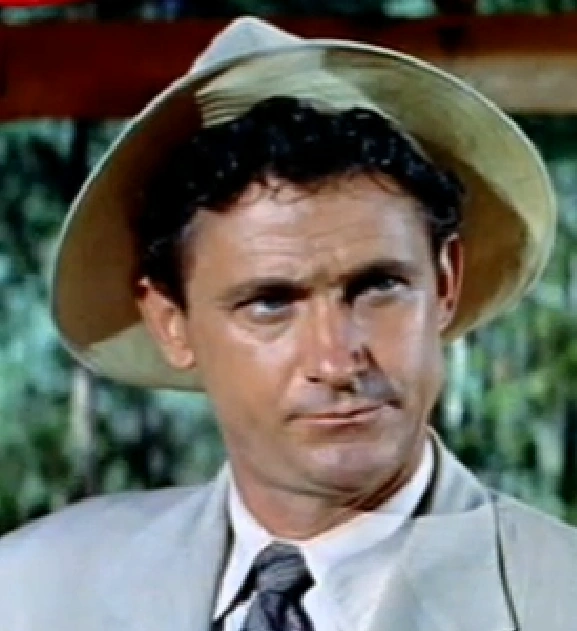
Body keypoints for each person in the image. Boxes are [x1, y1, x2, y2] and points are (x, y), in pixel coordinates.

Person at [0, 15, 574, 631]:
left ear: (445, 283)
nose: (337, 361)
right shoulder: (34, 589)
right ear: (171, 323)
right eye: (270, 303)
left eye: (378, 287)